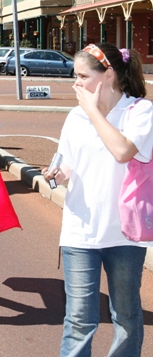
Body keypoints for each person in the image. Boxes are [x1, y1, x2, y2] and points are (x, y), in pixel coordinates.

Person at [43, 43, 152, 357]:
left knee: (127, 315)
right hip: (80, 231)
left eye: (82, 76)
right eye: (74, 76)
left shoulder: (139, 111)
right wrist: (58, 173)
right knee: (79, 318)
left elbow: (122, 151)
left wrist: (93, 111)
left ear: (109, 76)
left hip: (124, 234)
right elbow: (67, 164)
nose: (75, 83)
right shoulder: (76, 117)